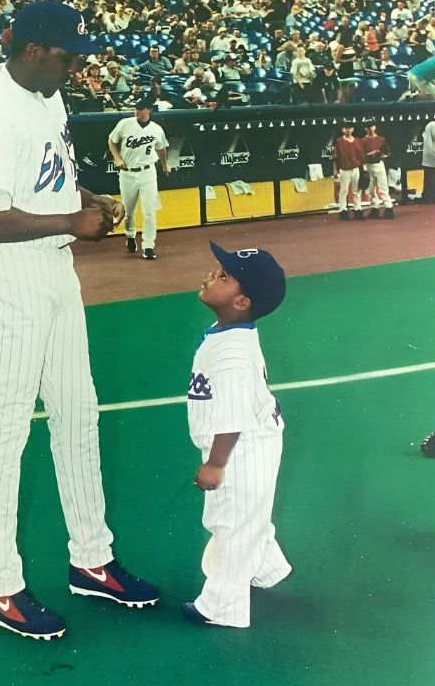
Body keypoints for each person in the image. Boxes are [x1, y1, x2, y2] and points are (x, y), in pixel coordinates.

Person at [0, 0, 159, 641]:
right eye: (67, 55)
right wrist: (72, 221)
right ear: (34, 49)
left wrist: (82, 200)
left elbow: (45, 179)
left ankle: (91, 557)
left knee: (78, 413)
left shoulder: (45, 95)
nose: (76, 66)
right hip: (6, 276)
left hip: (53, 270)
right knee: (6, 430)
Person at [182, 243, 292, 628]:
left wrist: (214, 464)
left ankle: (221, 606)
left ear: (242, 301)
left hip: (240, 449)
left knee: (231, 524)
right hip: (256, 442)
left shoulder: (230, 352)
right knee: (248, 517)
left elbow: (230, 417)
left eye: (225, 276)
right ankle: (265, 567)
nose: (213, 275)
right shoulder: (231, 332)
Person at [108, 97, 170, 259]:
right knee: (129, 211)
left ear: (149, 110)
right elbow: (111, 141)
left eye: (141, 108)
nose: (137, 111)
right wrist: (117, 158)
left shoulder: (156, 129)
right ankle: (130, 236)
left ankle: (148, 246)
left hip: (148, 172)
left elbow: (161, 148)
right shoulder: (125, 124)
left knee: (149, 211)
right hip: (128, 172)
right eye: (136, 108)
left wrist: (165, 165)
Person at [332, 123, 367, 220]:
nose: (348, 130)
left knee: (357, 190)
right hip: (344, 169)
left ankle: (358, 210)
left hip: (356, 168)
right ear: (342, 129)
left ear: (353, 129)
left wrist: (364, 169)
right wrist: (335, 170)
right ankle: (342, 211)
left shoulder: (357, 141)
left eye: (350, 127)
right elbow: (335, 157)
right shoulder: (339, 141)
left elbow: (361, 155)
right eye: (346, 128)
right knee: (344, 190)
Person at [360, 120, 394, 218]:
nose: (370, 128)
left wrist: (381, 154)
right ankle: (375, 208)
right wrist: (371, 153)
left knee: (383, 187)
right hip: (368, 165)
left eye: (371, 126)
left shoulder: (381, 139)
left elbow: (388, 153)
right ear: (365, 128)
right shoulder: (363, 141)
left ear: (375, 127)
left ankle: (389, 208)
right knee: (371, 189)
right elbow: (361, 155)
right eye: (367, 127)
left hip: (379, 164)